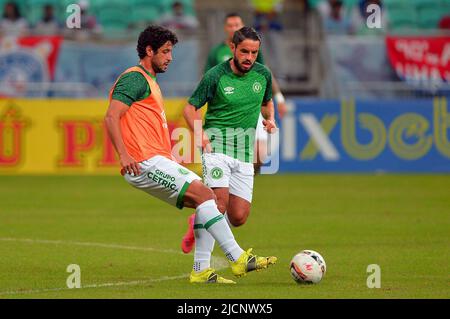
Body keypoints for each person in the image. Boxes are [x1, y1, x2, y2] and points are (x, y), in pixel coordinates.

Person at [104, 25, 276, 284]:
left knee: (204, 202)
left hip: (155, 159)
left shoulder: (149, 81)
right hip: (143, 160)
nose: (170, 57)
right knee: (207, 196)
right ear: (148, 51)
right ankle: (238, 258)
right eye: (165, 51)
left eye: (171, 51)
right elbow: (111, 116)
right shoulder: (135, 78)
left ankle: (201, 270)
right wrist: (124, 155)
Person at [180, 14, 285, 254]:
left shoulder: (263, 75)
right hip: (216, 147)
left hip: (244, 151)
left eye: (254, 53)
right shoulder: (215, 75)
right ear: (232, 47)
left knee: (238, 216)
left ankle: (198, 216)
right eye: (244, 52)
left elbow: (267, 102)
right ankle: (220, 261)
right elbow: (190, 108)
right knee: (218, 204)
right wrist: (200, 134)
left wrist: (270, 119)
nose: (249, 58)